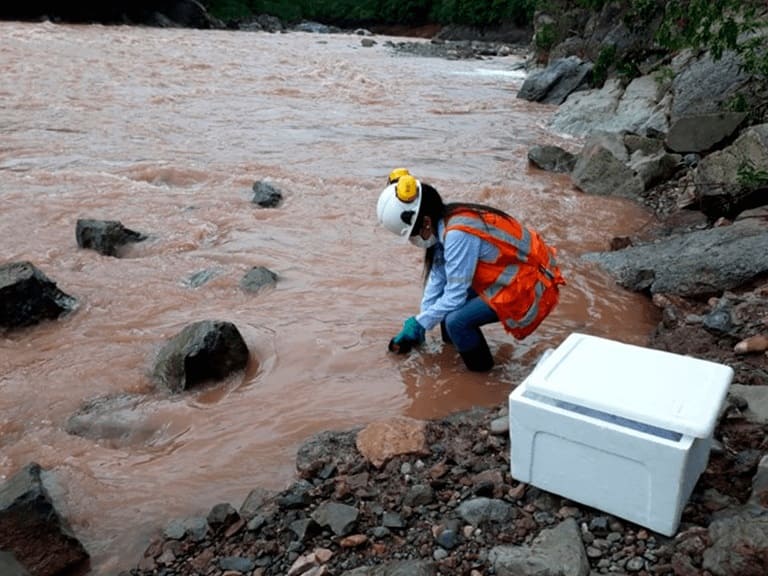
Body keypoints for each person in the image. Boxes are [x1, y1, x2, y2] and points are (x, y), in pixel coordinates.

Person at [376, 171, 566, 372]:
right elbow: (438, 278)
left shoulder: (458, 234)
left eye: (413, 235)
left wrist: (420, 322)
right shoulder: (446, 220)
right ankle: (455, 354)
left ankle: (482, 376)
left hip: (528, 287)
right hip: (515, 276)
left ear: (425, 222)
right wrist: (422, 319)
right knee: (447, 311)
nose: (414, 241)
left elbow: (455, 296)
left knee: (456, 321)